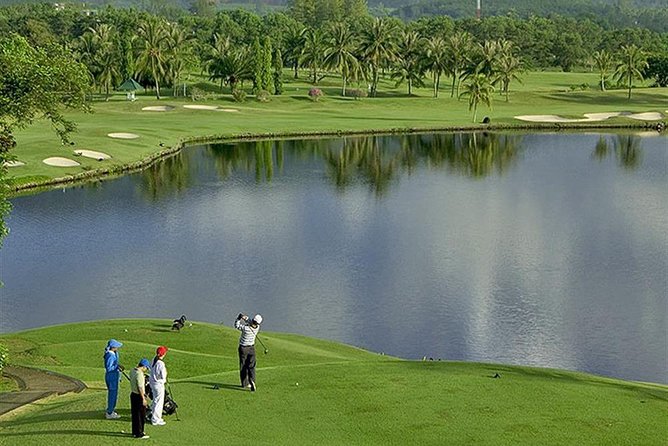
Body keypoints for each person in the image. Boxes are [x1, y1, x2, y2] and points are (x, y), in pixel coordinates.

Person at [234, 313, 262, 391]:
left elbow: (237, 326)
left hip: (243, 348)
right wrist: (244, 317)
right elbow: (249, 321)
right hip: (251, 349)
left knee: (243, 365)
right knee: (251, 365)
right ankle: (252, 380)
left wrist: (238, 319)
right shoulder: (257, 327)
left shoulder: (246, 328)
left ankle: (244, 383)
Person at [129, 359, 151, 439]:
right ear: (144, 366)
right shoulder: (140, 374)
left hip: (133, 394)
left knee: (135, 415)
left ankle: (135, 432)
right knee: (141, 415)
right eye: (146, 368)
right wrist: (143, 399)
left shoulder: (132, 370)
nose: (146, 370)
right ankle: (139, 433)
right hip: (139, 396)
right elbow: (140, 388)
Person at [103, 339, 124, 419]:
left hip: (113, 376)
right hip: (112, 377)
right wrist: (117, 367)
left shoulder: (112, 353)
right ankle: (110, 412)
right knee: (112, 395)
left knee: (113, 394)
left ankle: (111, 410)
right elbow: (109, 368)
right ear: (113, 347)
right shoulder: (110, 355)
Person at [149, 346, 168, 426]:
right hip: (158, 384)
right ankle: (156, 419)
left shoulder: (154, 359)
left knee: (155, 400)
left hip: (153, 383)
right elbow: (163, 375)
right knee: (159, 402)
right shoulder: (161, 363)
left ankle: (154, 416)